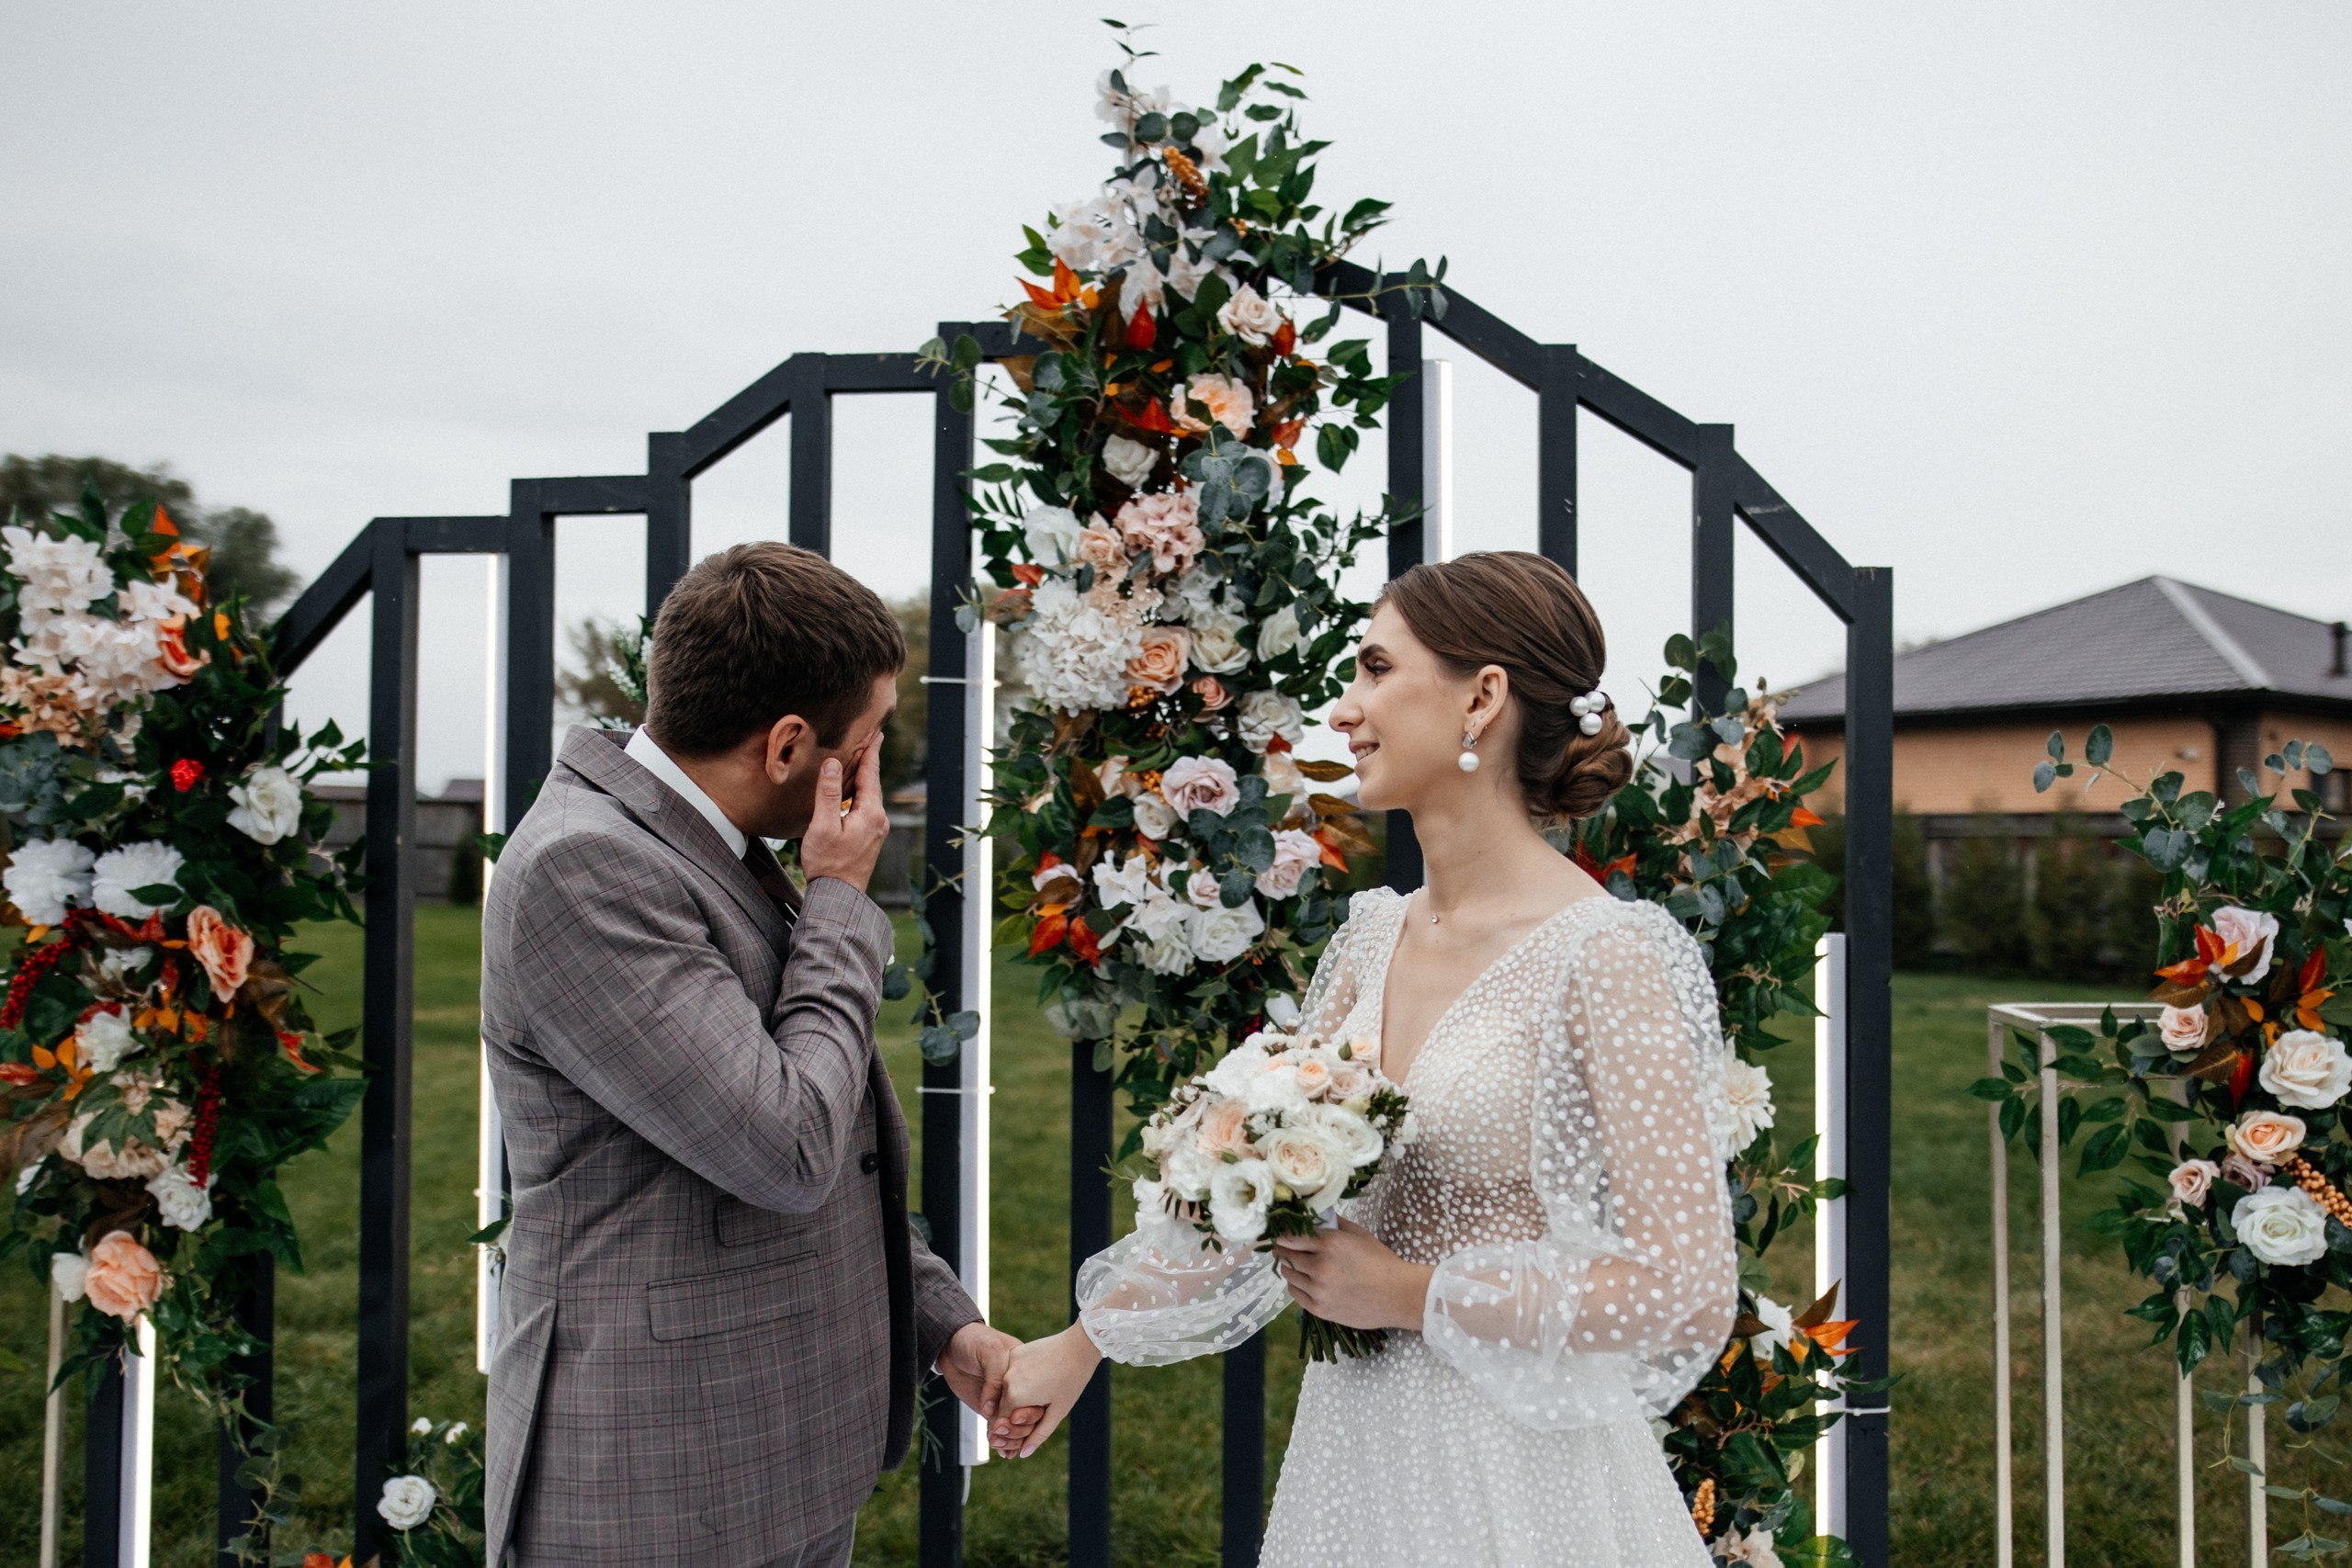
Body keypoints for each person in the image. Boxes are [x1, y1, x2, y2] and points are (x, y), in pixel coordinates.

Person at [998, 550, 1738, 1566]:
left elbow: (1685, 1289)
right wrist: (1082, 1347)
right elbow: (1248, 1180)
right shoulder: (1370, 937)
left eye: (1375, 670)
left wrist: (1407, 1294)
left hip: (1520, 1478)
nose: (1343, 710)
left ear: (1482, 698)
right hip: (1355, 1453)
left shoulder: (1604, 955)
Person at [479, 542, 1038, 1568]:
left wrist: (941, 1322)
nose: (871, 777)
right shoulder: (585, 868)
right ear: (788, 745)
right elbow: (783, 1148)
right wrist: (838, 901)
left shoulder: (703, 846)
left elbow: (796, 1147)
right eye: (865, 747)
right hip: (657, 1480)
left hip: (773, 1454)